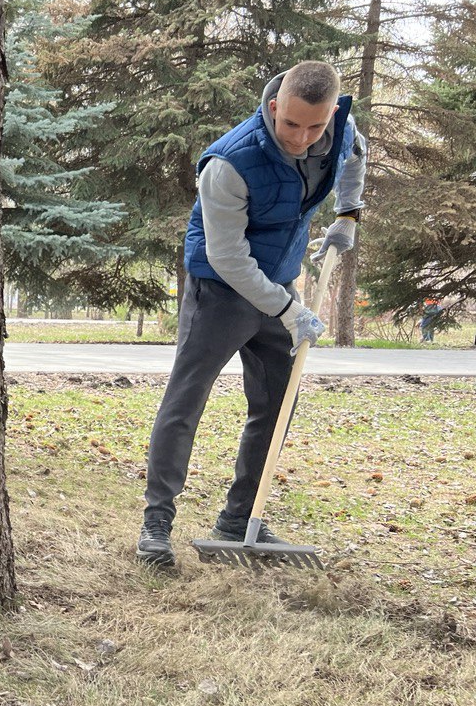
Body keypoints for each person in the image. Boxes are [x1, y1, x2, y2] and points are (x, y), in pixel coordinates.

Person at [136, 61, 367, 568]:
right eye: (290, 124)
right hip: (219, 289)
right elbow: (228, 256)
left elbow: (354, 155)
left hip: (280, 281)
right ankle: (156, 526)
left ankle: (240, 521)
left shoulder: (339, 129)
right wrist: (288, 309)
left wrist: (347, 215)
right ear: (271, 108)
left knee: (277, 404)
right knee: (186, 401)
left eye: (315, 127)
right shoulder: (229, 163)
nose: (301, 138)